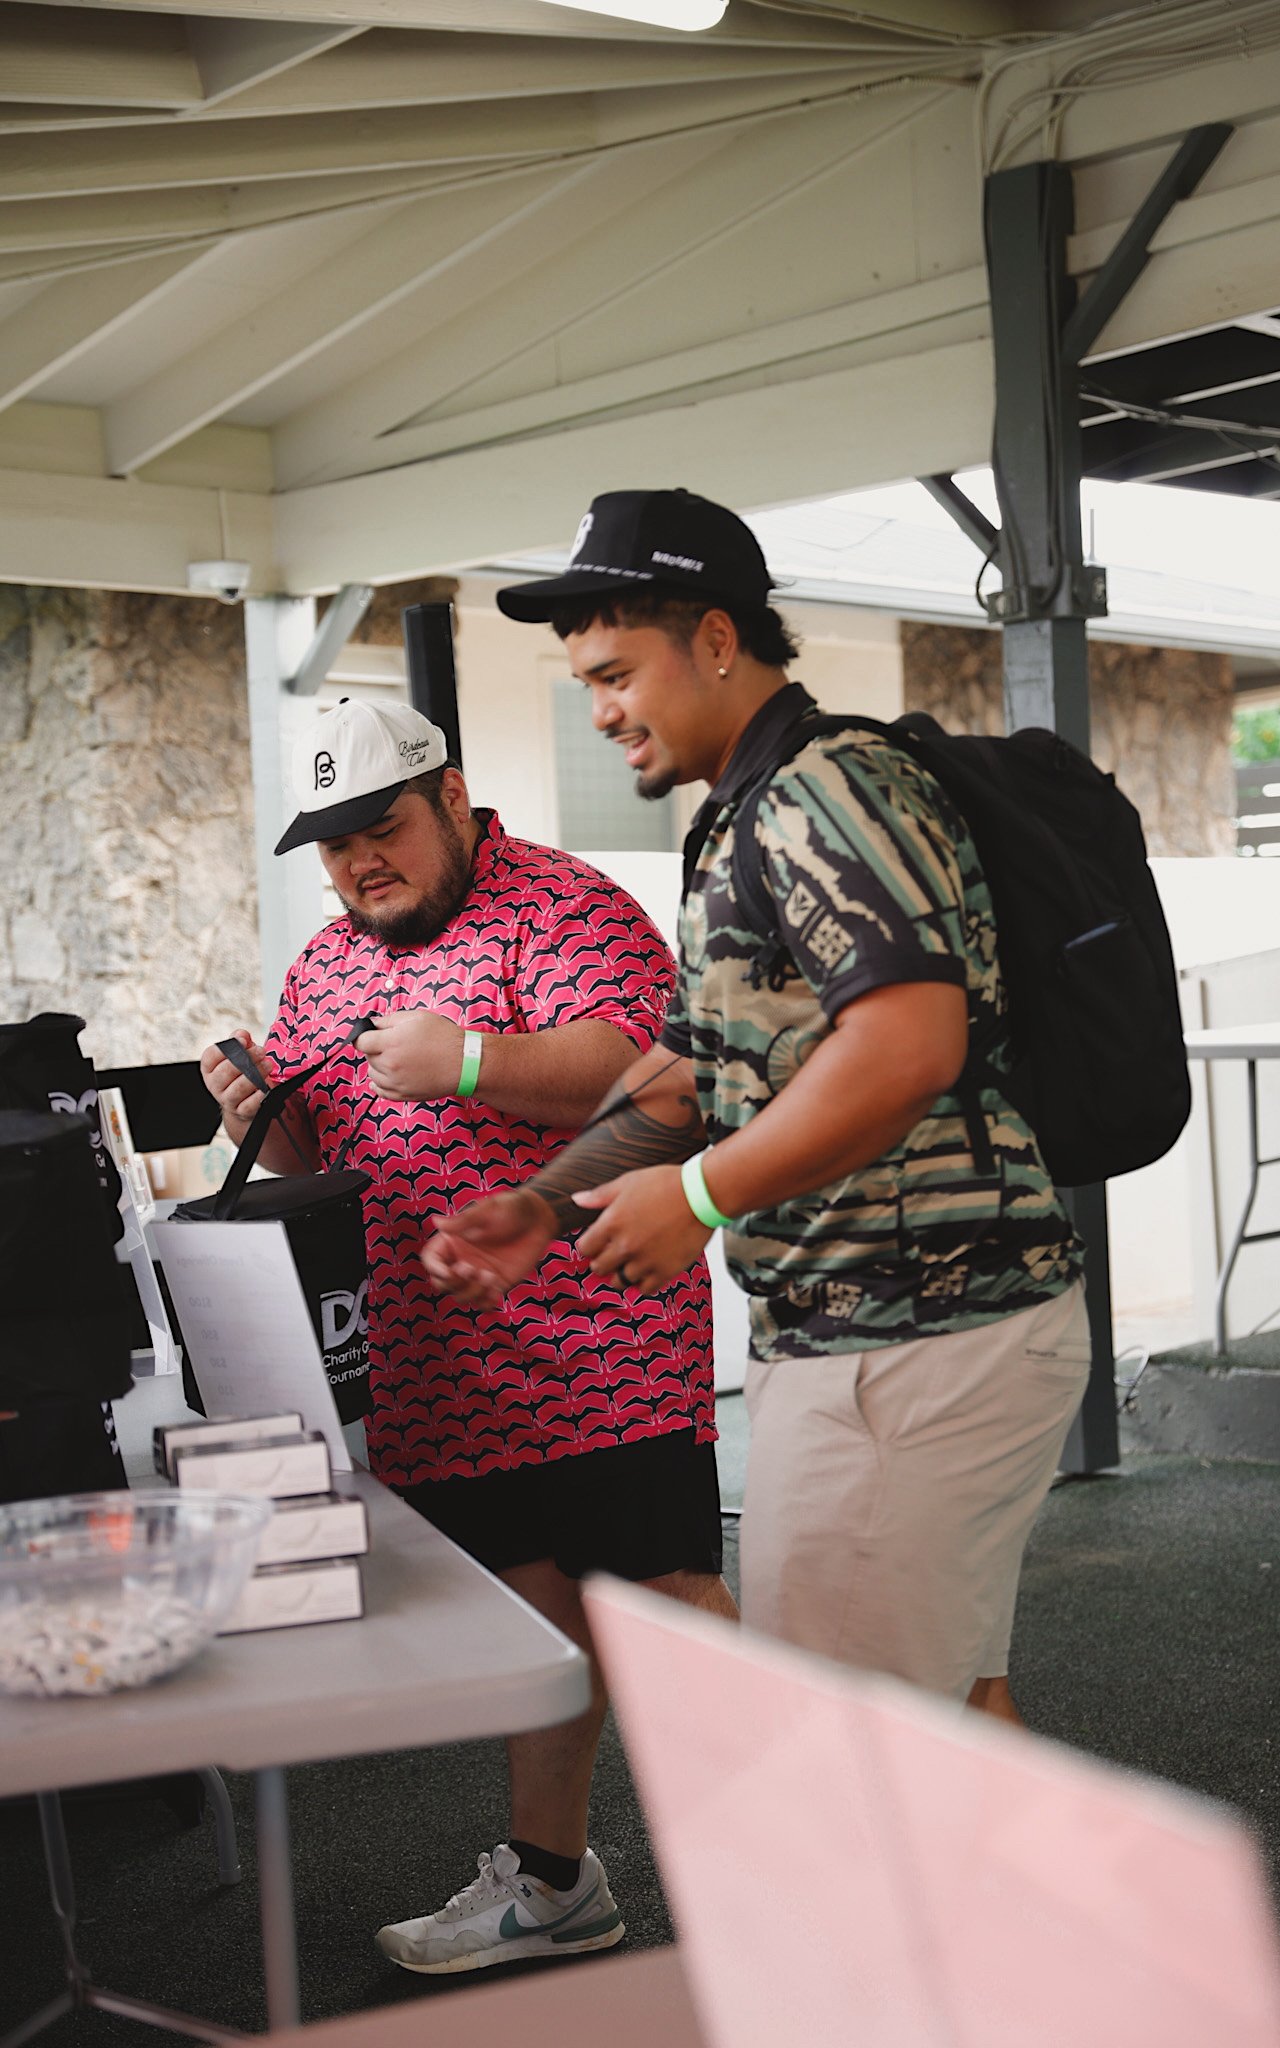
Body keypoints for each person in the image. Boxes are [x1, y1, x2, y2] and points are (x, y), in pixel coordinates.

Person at [423, 487, 1090, 1724]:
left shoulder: (823, 791)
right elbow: (688, 1070)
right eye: (585, 684)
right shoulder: (742, 816)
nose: (601, 710)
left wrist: (698, 1195)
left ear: (718, 640)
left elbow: (907, 1041)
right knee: (949, 1716)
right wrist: (542, 1205)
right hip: (882, 1335)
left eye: (617, 673)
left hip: (913, 1332)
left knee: (847, 1742)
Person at [201, 694, 734, 1976]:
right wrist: (254, 1118)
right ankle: (552, 1883)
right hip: (440, 1365)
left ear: (449, 796)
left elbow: (648, 1070)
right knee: (536, 1621)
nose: (360, 864)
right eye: (335, 847)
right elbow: (321, 1153)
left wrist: (475, 1061)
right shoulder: (325, 963)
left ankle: (801, 1859)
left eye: (381, 829)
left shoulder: (563, 904)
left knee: (663, 1601)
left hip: (601, 1344)